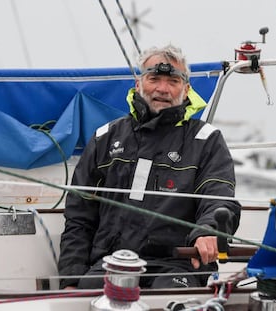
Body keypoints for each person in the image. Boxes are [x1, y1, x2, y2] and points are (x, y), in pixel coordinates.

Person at [58, 44, 241, 290]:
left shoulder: (206, 140)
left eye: (173, 81)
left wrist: (207, 231)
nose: (163, 89)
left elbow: (219, 197)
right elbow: (79, 217)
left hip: (178, 264)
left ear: (186, 89)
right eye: (154, 78)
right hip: (111, 263)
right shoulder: (105, 138)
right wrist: (70, 280)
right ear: (138, 84)